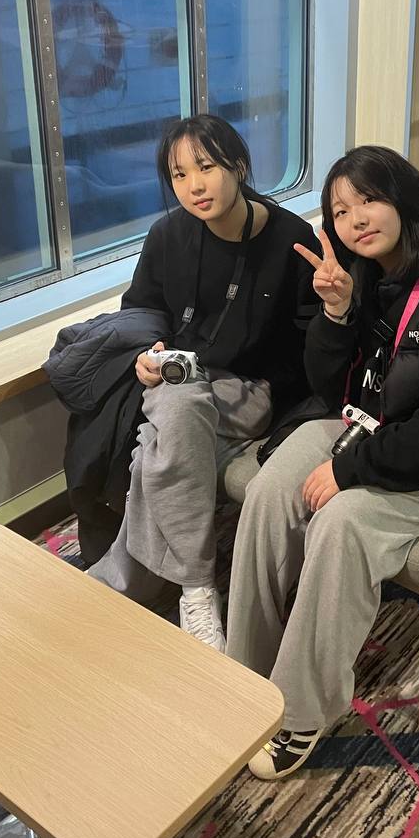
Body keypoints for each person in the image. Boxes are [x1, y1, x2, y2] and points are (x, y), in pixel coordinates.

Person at [226, 145, 419, 778]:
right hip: (368, 427)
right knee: (270, 488)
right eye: (340, 210)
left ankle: (301, 708)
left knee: (342, 524)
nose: (355, 219)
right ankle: (243, 670)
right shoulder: (363, 274)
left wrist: (348, 471)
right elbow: (332, 387)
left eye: (369, 199)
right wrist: (336, 314)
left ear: (407, 197)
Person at [87, 114, 319, 650]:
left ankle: (138, 578)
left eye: (207, 167)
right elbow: (142, 310)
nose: (194, 185)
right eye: (179, 174)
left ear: (238, 165)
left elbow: (309, 349)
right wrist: (147, 355)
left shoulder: (290, 240)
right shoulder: (168, 235)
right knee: (173, 420)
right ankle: (196, 588)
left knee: (161, 434)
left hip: (254, 391)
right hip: (180, 385)